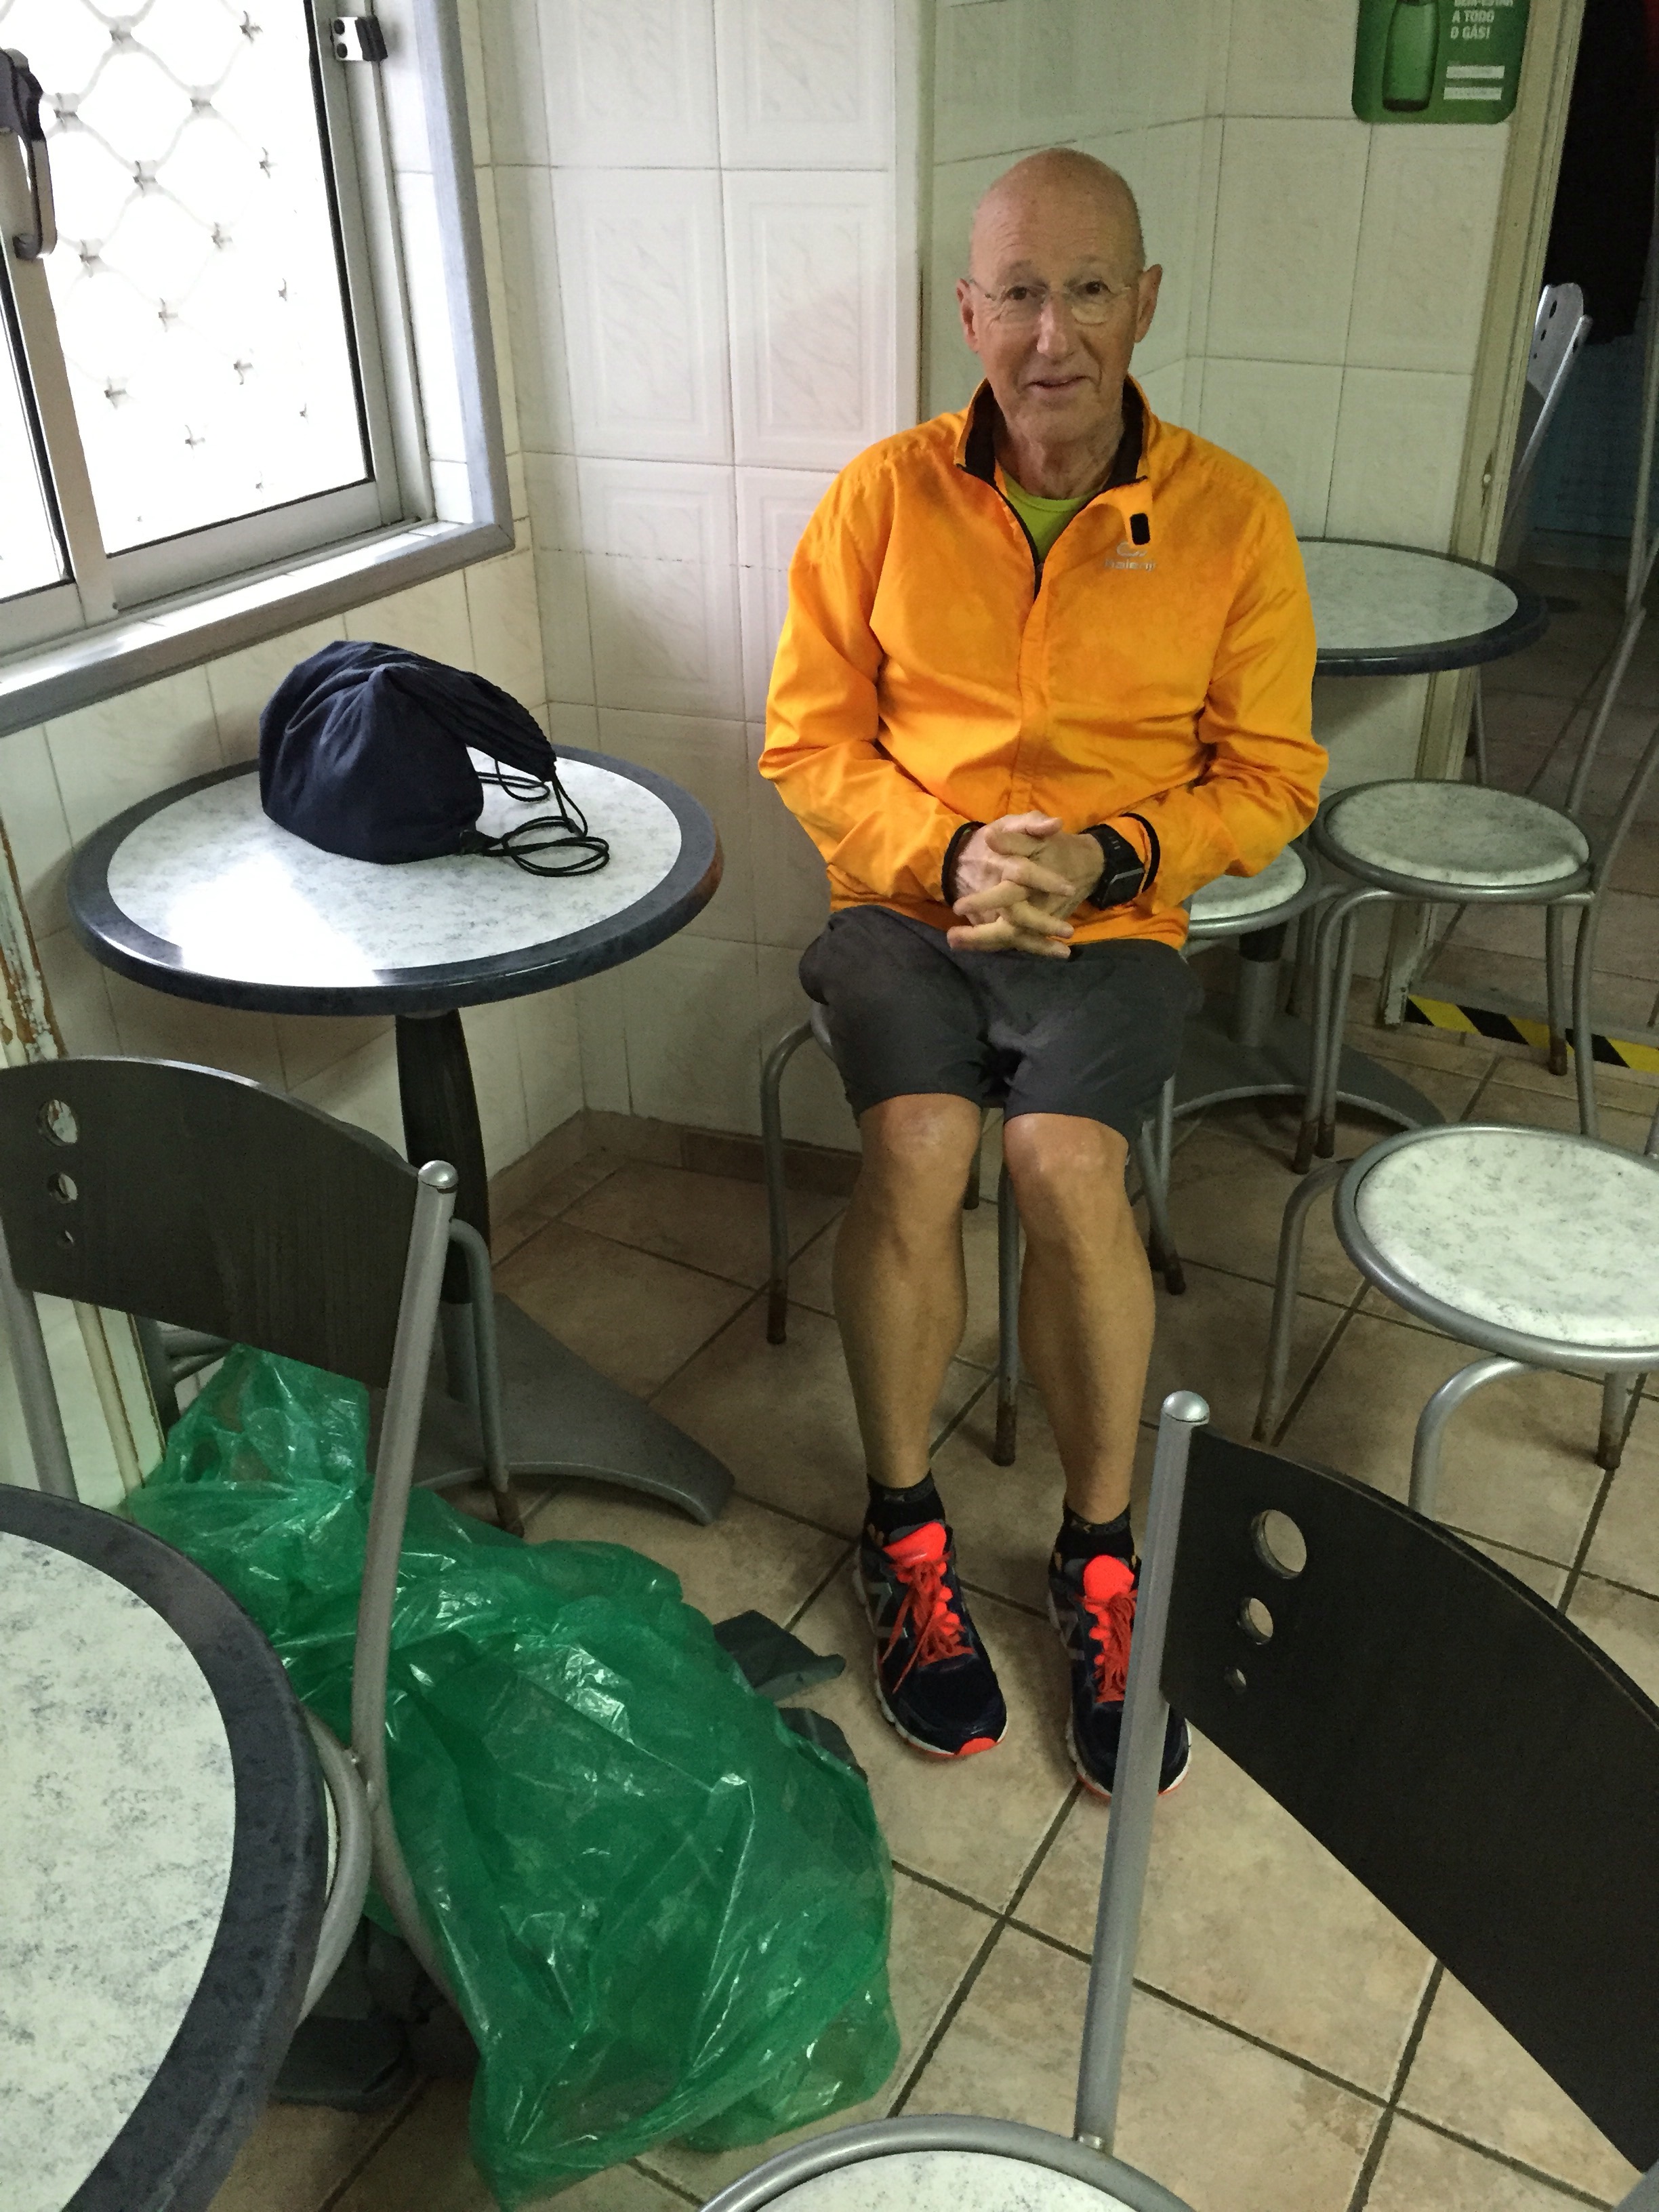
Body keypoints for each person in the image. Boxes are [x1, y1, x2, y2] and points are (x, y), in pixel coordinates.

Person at [760, 148, 1325, 1799]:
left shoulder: (1231, 517)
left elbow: (1274, 775)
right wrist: (952, 857)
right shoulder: (881, 497)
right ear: (969, 311)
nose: (1051, 333)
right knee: (919, 1147)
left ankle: (1099, 1557)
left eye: (1086, 291)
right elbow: (808, 742)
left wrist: (1112, 857)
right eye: (1017, 292)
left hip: (1111, 921)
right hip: (905, 904)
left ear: (1145, 305)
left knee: (1068, 1166)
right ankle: (904, 1532)